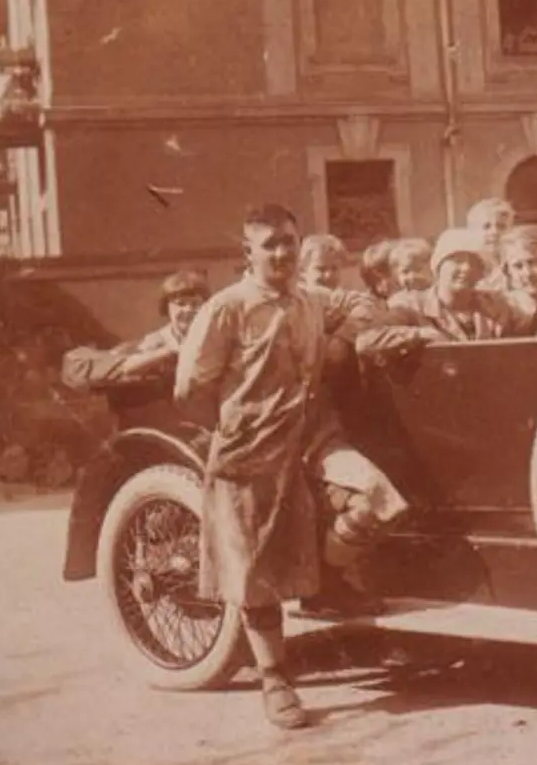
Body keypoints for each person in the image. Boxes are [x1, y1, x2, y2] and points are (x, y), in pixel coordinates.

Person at [173, 203, 418, 731]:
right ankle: (275, 680)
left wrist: (349, 337)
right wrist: (233, 427)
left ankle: (324, 579)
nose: (281, 253)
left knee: (379, 500)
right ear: (248, 252)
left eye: (288, 242)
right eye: (270, 245)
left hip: (313, 440)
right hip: (250, 451)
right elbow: (189, 388)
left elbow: (361, 303)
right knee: (257, 572)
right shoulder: (226, 308)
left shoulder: (310, 301)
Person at [60, 269, 210, 388]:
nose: (188, 310)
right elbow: (118, 367)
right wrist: (168, 351)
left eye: (195, 304)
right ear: (166, 309)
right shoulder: (153, 343)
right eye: (180, 303)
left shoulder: (215, 338)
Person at [387, 227, 522, 341]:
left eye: (474, 263)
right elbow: (371, 338)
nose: (466, 268)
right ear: (438, 266)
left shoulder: (497, 305)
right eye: (457, 260)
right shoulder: (409, 306)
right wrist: (417, 334)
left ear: (482, 273)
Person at [465, 197, 515, 291]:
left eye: (501, 226)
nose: (495, 232)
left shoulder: (515, 266)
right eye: (486, 226)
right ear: (472, 232)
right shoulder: (466, 268)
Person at [382, 236, 434, 310]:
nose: (412, 276)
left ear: (431, 267)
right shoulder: (397, 303)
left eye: (417, 269)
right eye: (405, 272)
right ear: (396, 275)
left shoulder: (439, 295)